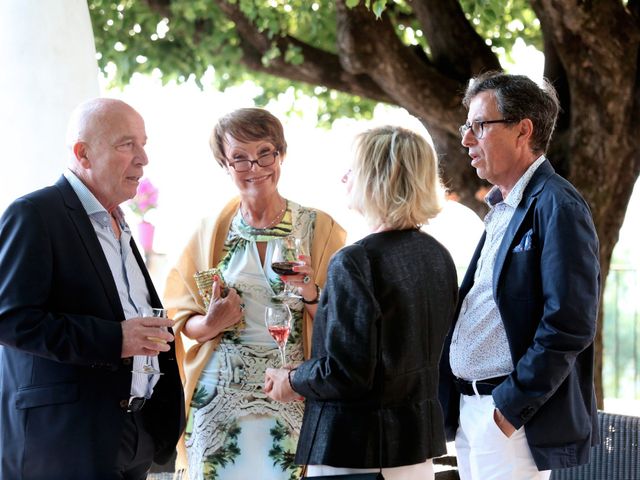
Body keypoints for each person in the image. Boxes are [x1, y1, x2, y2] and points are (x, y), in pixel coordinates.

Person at [0, 98, 185, 480]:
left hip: (133, 433)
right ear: (83, 153)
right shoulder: (35, 214)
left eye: (144, 143)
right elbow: (10, 319)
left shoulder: (120, 225)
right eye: (127, 144)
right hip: (65, 441)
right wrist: (114, 339)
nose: (143, 158)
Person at [264, 126, 458, 480]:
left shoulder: (356, 261)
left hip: (354, 450)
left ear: (377, 178)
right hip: (415, 451)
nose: (343, 178)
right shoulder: (438, 256)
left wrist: (291, 379)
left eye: (352, 169)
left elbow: (346, 371)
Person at [163, 107, 346, 479]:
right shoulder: (210, 233)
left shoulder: (318, 228)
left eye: (265, 153)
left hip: (291, 391)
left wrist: (311, 292)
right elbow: (181, 322)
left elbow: (342, 321)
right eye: (239, 158)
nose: (255, 166)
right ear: (224, 164)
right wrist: (212, 322)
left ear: (281, 154)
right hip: (219, 396)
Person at [439, 72, 601, 480]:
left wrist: (510, 408)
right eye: (466, 127)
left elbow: (569, 323)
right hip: (475, 410)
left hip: (508, 418)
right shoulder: (502, 207)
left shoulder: (558, 204)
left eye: (479, 126)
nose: (466, 140)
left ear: (522, 130)